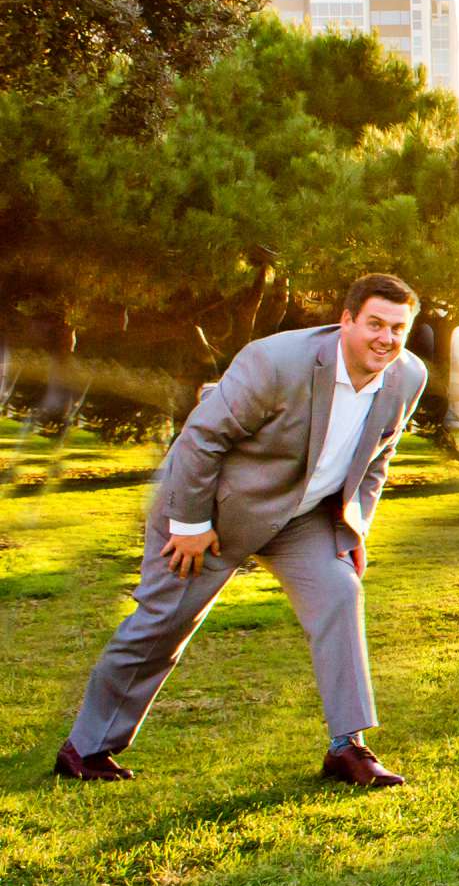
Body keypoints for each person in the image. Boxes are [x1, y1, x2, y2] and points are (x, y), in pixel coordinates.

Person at [54, 274, 429, 787]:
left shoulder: (407, 376)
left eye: (398, 328)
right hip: (211, 512)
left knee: (341, 592)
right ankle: (86, 749)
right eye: (375, 325)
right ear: (345, 321)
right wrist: (189, 525)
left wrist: (353, 531)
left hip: (303, 518)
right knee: (162, 624)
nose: (386, 339)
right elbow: (200, 440)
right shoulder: (276, 361)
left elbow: (378, 458)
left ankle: (348, 747)